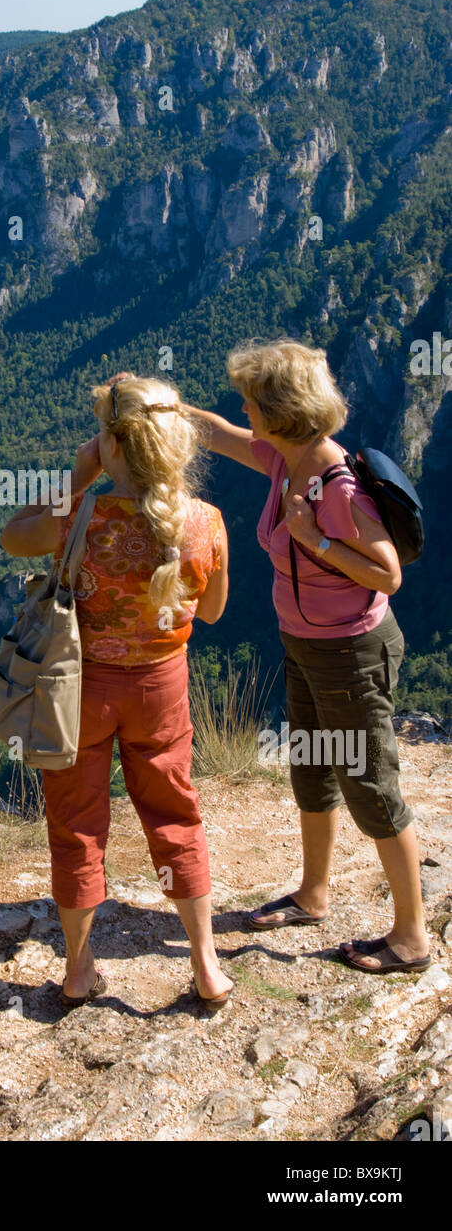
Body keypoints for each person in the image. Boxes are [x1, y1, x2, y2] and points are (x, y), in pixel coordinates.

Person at [182, 338, 430, 975]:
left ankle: (411, 936)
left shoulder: (337, 486)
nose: (242, 406)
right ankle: (313, 895)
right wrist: (155, 406)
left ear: (281, 410)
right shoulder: (281, 458)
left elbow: (388, 573)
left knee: (370, 786)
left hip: (351, 652)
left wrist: (314, 537)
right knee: (312, 772)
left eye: (252, 400)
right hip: (306, 643)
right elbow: (216, 433)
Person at [0, 373, 234, 1010]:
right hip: (162, 689)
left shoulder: (80, 515)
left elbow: (12, 534)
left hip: (79, 690)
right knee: (175, 815)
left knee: (76, 826)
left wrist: (77, 474)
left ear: (112, 444)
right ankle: (206, 964)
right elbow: (211, 612)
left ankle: (79, 970)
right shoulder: (205, 522)